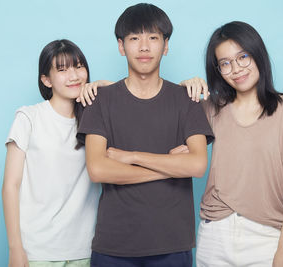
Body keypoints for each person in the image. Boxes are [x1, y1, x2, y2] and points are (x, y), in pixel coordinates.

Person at [77, 3, 214, 267]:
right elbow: (98, 169)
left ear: (165, 46)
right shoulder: (100, 100)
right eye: (134, 38)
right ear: (121, 46)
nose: (143, 47)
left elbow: (197, 165)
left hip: (172, 243)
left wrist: (131, 157)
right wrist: (171, 167)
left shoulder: (187, 100)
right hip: (113, 244)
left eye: (153, 38)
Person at [193, 21, 283, 267]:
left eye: (243, 57)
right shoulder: (211, 109)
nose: (236, 69)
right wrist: (187, 87)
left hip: (266, 237)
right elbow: (177, 147)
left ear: (258, 55)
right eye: (225, 63)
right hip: (215, 234)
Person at [2, 39, 112, 267]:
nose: (73, 76)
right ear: (46, 79)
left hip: (86, 248)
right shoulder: (28, 117)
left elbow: (136, 106)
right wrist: (15, 248)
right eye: (62, 69)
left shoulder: (95, 120)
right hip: (37, 251)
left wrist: (105, 89)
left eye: (79, 66)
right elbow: (10, 185)